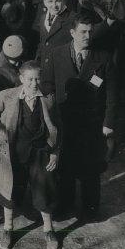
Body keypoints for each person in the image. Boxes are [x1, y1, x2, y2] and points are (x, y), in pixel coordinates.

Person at [0, 60, 61, 249]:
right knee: (9, 191)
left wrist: (54, 153)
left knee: (44, 190)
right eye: (29, 79)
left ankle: (49, 230)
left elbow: (57, 129)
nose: (34, 83)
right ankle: (8, 229)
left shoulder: (48, 98)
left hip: (40, 152)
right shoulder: (7, 96)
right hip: (13, 152)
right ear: (21, 79)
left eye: (37, 78)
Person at [39, 14, 118, 220]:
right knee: (65, 167)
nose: (87, 36)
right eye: (83, 32)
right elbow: (47, 85)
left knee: (90, 169)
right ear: (72, 33)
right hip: (64, 122)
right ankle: (65, 205)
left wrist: (108, 123)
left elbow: (111, 93)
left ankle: (91, 209)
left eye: (90, 32)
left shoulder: (103, 58)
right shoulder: (56, 54)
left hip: (92, 124)